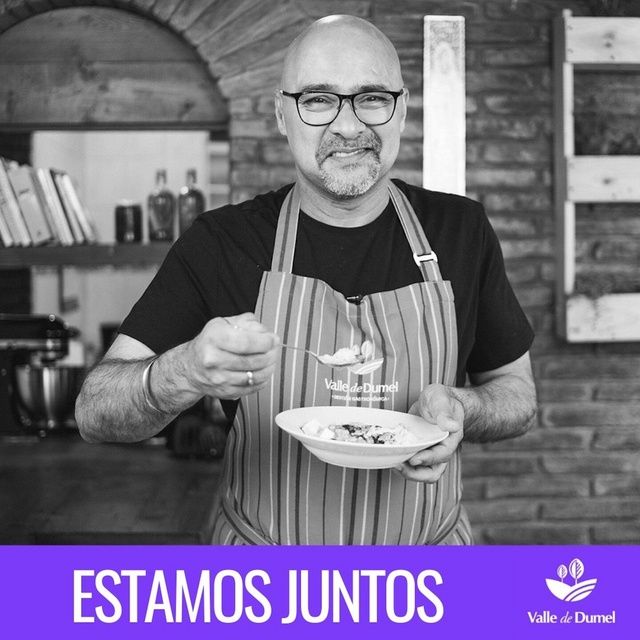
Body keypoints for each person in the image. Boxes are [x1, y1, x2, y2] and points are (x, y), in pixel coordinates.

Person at [76, 15, 537, 545]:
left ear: (402, 109)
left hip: (425, 576)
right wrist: (180, 373)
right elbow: (94, 411)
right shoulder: (222, 242)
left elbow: (517, 394)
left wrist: (463, 409)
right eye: (318, 100)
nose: (349, 126)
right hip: (263, 576)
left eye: (372, 97)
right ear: (282, 114)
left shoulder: (461, 230)